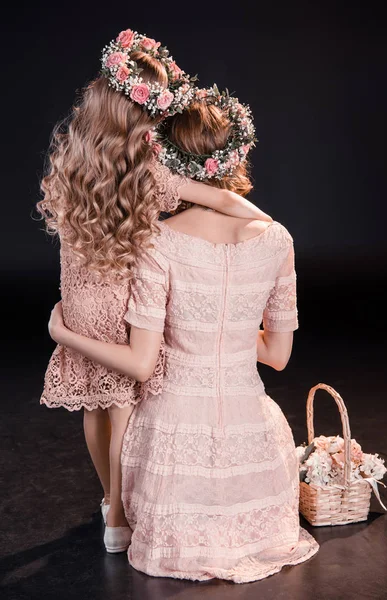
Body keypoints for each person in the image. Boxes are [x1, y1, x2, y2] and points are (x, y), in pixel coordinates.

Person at [47, 88, 319, 583]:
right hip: (253, 453)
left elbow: (141, 363)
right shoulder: (279, 240)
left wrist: (61, 332)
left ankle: (116, 518)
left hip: (174, 451)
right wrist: (232, 335)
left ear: (168, 155)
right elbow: (278, 355)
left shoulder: (158, 241)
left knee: (109, 403)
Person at [37, 30, 273, 554]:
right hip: (124, 300)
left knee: (95, 407)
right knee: (125, 406)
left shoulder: (71, 158)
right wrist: (266, 226)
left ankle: (107, 497)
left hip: (78, 299)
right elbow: (222, 201)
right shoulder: (149, 171)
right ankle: (119, 518)